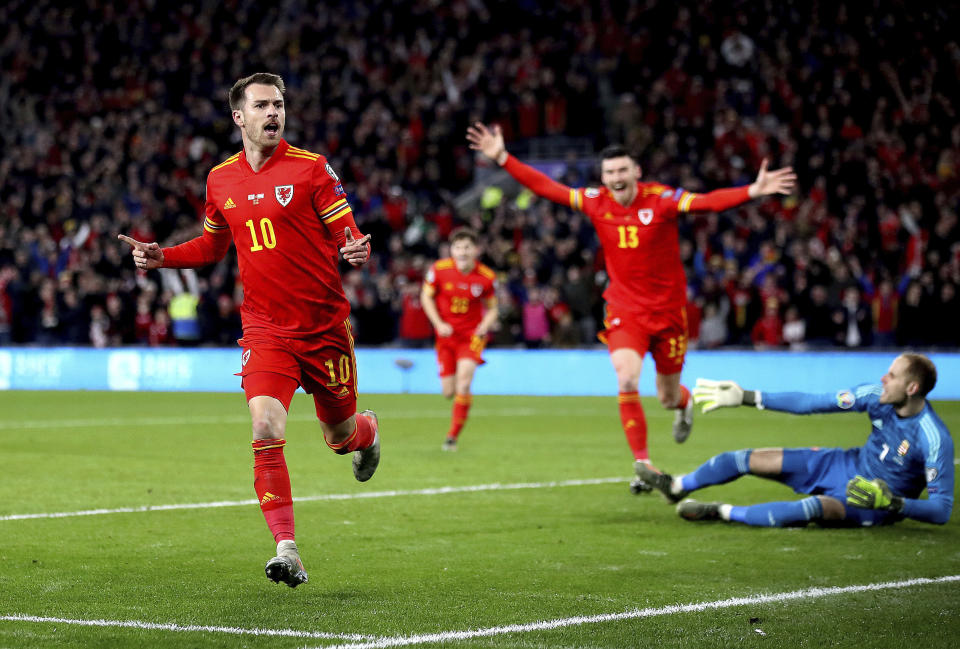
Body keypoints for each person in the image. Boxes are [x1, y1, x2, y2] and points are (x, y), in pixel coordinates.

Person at [118, 72, 381, 588]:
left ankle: (366, 433)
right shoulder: (220, 179)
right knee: (265, 425)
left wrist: (355, 246)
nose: (273, 113)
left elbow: (347, 231)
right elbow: (215, 246)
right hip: (264, 330)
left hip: (323, 328)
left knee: (339, 436)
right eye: (261, 105)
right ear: (239, 116)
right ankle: (287, 548)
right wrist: (163, 256)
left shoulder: (311, 169)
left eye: (278, 104)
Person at [466, 123, 796, 485]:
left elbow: (706, 202)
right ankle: (644, 464)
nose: (616, 177)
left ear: (636, 172)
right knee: (626, 377)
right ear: (603, 176)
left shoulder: (662, 200)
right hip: (626, 310)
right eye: (610, 172)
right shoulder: (596, 202)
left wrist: (753, 190)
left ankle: (684, 406)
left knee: (668, 397)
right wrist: (501, 156)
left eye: (623, 170)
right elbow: (546, 187)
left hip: (669, 313)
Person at [634, 353, 953, 527]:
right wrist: (746, 396)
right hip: (842, 464)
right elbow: (811, 403)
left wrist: (893, 504)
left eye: (893, 375)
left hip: (871, 502)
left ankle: (720, 512)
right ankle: (676, 487)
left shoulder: (934, 438)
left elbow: (941, 510)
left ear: (912, 389)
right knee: (744, 458)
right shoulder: (875, 396)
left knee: (811, 508)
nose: (883, 378)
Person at [421, 227, 499, 451]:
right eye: (458, 247)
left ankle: (452, 437)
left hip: (471, 337)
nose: (462, 251)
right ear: (451, 250)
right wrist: (438, 324)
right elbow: (425, 297)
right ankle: (458, 410)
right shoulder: (439, 270)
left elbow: (493, 309)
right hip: (445, 337)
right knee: (448, 392)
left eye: (467, 247)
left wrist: (484, 326)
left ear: (476, 250)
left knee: (464, 382)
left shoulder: (486, 277)